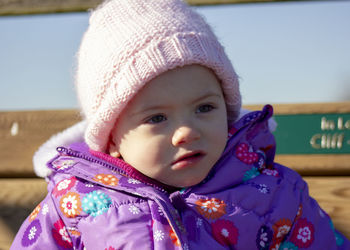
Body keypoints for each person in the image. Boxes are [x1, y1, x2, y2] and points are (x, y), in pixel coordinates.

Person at [11, 0, 349, 249]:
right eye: (157, 118)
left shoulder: (274, 194)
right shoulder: (73, 206)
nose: (187, 130)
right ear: (112, 137)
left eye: (204, 107)